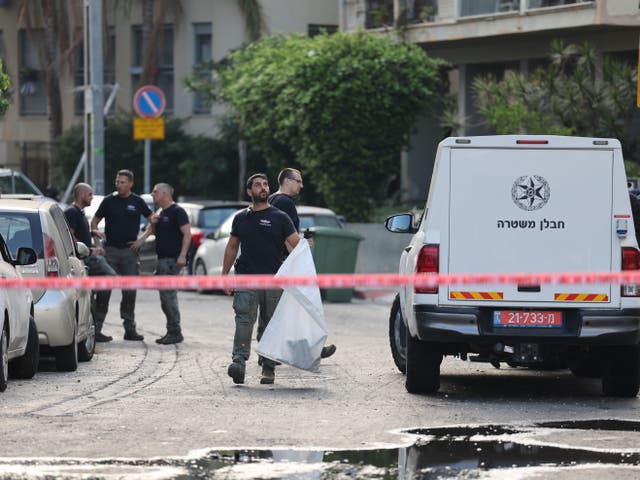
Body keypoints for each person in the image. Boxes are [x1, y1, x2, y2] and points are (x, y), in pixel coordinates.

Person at [223, 173, 300, 385]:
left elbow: (295, 243)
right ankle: (238, 362)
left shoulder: (280, 217)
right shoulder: (241, 218)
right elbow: (232, 246)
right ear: (249, 191)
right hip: (246, 278)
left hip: (274, 281)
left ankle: (268, 367)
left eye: (265, 184)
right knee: (244, 321)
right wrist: (224, 275)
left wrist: (305, 247)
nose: (263, 187)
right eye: (258, 185)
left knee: (270, 324)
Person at [270, 167, 337, 360]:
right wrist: (298, 255)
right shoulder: (285, 202)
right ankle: (311, 348)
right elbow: (284, 235)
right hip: (286, 263)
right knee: (303, 305)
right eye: (298, 181)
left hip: (277, 263)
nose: (301, 185)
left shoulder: (274, 199)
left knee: (285, 309)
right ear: (287, 181)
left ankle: (300, 348)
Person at [90, 169, 153, 341]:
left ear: (131, 183)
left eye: (123, 182)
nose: (119, 184)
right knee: (104, 290)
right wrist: (97, 245)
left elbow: (153, 219)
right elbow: (94, 222)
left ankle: (129, 329)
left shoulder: (137, 201)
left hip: (129, 252)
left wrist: (142, 239)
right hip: (109, 250)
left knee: (130, 291)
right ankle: (96, 329)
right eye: (117, 181)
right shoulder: (109, 201)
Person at [137, 183, 191, 345]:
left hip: (172, 261)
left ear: (164, 193)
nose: (152, 195)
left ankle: (175, 332)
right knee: (165, 299)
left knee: (169, 298)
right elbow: (151, 231)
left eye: (155, 192)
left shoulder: (177, 211)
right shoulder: (160, 213)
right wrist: (152, 224)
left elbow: (187, 234)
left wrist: (182, 256)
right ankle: (172, 330)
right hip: (161, 260)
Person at [64, 183, 117, 343]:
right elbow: (70, 236)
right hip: (84, 259)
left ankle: (95, 325)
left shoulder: (79, 213)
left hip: (87, 258)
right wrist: (90, 250)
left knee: (100, 285)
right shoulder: (72, 212)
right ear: (81, 195)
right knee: (111, 277)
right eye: (90, 194)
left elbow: (78, 232)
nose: (92, 197)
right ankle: (96, 323)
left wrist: (91, 233)